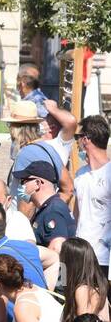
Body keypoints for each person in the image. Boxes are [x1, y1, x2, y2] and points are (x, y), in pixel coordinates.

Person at [71, 115, 111, 276]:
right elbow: (76, 213)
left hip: (105, 257)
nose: (77, 142)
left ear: (86, 139)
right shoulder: (80, 174)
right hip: (82, 253)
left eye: (78, 137)